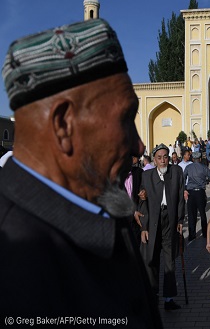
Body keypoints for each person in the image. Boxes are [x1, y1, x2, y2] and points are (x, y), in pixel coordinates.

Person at [0, 19, 162, 327]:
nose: (140, 147)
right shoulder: (13, 262)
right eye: (126, 119)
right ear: (63, 125)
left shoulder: (104, 206)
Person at [139, 143, 185, 311]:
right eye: (159, 158)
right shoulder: (147, 176)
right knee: (151, 259)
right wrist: (144, 227)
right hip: (153, 221)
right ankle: (153, 294)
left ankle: (168, 299)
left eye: (165, 157)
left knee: (169, 260)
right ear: (154, 160)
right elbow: (142, 203)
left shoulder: (176, 172)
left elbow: (180, 197)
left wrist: (180, 220)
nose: (163, 160)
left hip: (170, 220)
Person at [184, 151, 210, 242]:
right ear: (199, 159)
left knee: (191, 215)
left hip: (191, 193)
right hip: (200, 193)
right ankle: (205, 233)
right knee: (202, 213)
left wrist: (184, 189)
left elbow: (183, 178)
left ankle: (192, 235)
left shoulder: (188, 167)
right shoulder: (203, 167)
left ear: (193, 159)